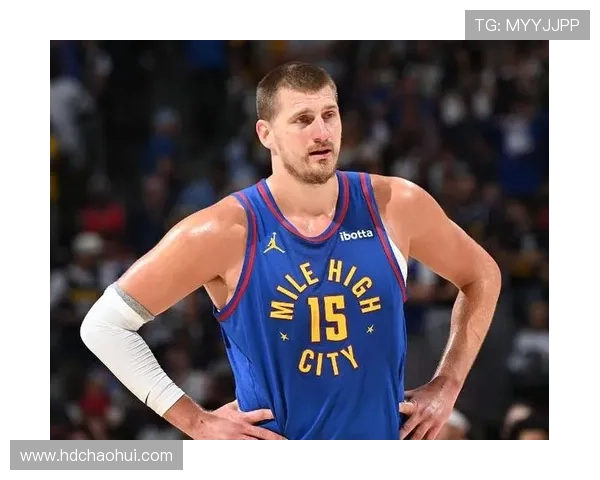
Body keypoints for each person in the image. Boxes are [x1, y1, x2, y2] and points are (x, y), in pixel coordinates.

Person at [80, 62, 502, 440]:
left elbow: (482, 275)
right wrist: (196, 421)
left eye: (329, 115)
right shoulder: (223, 230)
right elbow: (104, 325)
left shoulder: (395, 204)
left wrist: (448, 384)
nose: (321, 133)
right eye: (302, 119)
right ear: (266, 134)